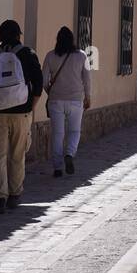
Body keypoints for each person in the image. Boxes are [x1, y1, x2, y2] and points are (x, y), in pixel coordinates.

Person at [0, 19, 44, 213]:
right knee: (17, 155)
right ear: (18, 35)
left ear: (0, 37)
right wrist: (30, 107)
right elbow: (38, 84)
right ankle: (15, 195)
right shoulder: (28, 54)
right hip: (21, 113)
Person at [42, 27, 91, 177]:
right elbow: (87, 79)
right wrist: (88, 96)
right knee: (74, 131)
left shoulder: (50, 56)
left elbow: (44, 80)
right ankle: (69, 153)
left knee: (58, 134)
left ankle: (57, 167)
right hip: (76, 100)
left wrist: (51, 93)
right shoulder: (82, 56)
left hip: (56, 100)